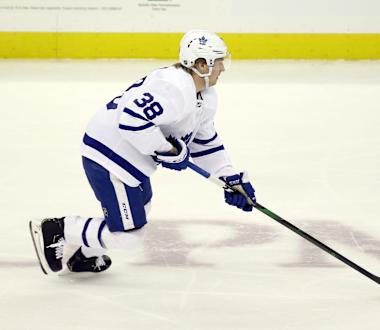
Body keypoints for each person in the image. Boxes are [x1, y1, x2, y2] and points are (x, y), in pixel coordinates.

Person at [29, 30, 257, 275]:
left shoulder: (205, 95)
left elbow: (206, 142)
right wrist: (168, 150)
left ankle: (83, 255)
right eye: (219, 61)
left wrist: (230, 178)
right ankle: (58, 229)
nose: (223, 67)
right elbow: (131, 120)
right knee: (128, 237)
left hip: (132, 158)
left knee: (142, 207)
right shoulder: (174, 88)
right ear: (202, 64)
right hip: (110, 157)